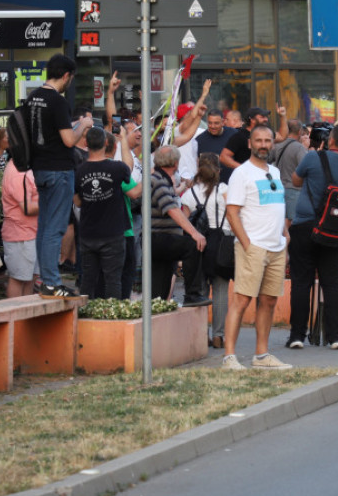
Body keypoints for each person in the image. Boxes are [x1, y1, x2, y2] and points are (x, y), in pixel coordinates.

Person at [222, 124, 291, 370]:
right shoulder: (242, 173)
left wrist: (285, 235)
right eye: (258, 140)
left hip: (276, 247)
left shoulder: (273, 170)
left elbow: (278, 205)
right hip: (253, 247)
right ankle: (229, 357)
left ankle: (261, 356)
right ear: (250, 144)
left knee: (269, 301)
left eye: (267, 140)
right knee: (242, 300)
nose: (263, 145)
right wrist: (248, 245)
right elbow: (232, 213)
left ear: (273, 143)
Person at [287, 122, 338, 350]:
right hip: (333, 228)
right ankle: (335, 337)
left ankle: (297, 335)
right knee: (332, 284)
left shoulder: (312, 158)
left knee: (301, 282)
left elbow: (296, 181)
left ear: (330, 140)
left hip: (305, 225)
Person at [27, 54, 92, 299]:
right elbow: (68, 139)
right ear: (66, 75)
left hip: (40, 169)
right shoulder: (57, 101)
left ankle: (45, 279)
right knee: (55, 229)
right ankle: (52, 283)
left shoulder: (33, 97)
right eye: (70, 78)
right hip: (59, 170)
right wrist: (84, 125)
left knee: (44, 228)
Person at [74, 128, 141, 300]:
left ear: (86, 144)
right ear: (106, 143)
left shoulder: (79, 171)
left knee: (88, 279)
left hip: (88, 233)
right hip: (113, 234)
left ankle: (85, 315)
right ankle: (112, 319)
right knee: (113, 280)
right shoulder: (117, 169)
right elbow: (130, 175)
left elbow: (78, 202)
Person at [181, 153, 230, 348]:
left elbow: (184, 223)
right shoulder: (224, 190)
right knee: (220, 290)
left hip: (197, 245)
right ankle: (219, 335)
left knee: (199, 291)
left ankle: (201, 335)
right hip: (222, 245)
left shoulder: (189, 195)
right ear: (218, 170)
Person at [149, 146, 208, 304]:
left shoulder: (160, 180)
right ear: (176, 163)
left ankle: (157, 308)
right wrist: (194, 232)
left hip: (158, 239)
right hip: (159, 238)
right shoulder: (158, 181)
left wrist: (182, 186)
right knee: (193, 245)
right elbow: (172, 209)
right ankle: (192, 294)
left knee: (160, 287)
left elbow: (172, 195)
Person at [1, 155, 40, 298]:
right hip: (20, 234)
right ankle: (15, 318)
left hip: (32, 232)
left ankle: (26, 318)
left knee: (30, 279)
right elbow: (28, 208)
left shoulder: (25, 166)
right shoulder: (18, 171)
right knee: (19, 279)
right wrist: (51, 200)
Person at [268, 120, 308, 229]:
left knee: (280, 220)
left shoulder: (277, 144)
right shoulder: (299, 148)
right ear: (299, 131)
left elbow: (267, 160)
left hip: (277, 189)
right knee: (291, 222)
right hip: (294, 190)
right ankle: (287, 242)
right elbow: (305, 169)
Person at [221, 107, 271, 171]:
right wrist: (244, 169)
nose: (266, 119)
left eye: (267, 141)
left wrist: (282, 116)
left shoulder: (267, 134)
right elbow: (223, 157)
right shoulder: (240, 136)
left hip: (264, 174)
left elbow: (282, 136)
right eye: (262, 117)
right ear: (252, 119)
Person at [196, 109, 237, 182]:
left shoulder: (234, 134)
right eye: (210, 123)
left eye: (216, 123)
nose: (213, 126)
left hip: (233, 183)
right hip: (210, 185)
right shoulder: (199, 141)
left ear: (223, 122)